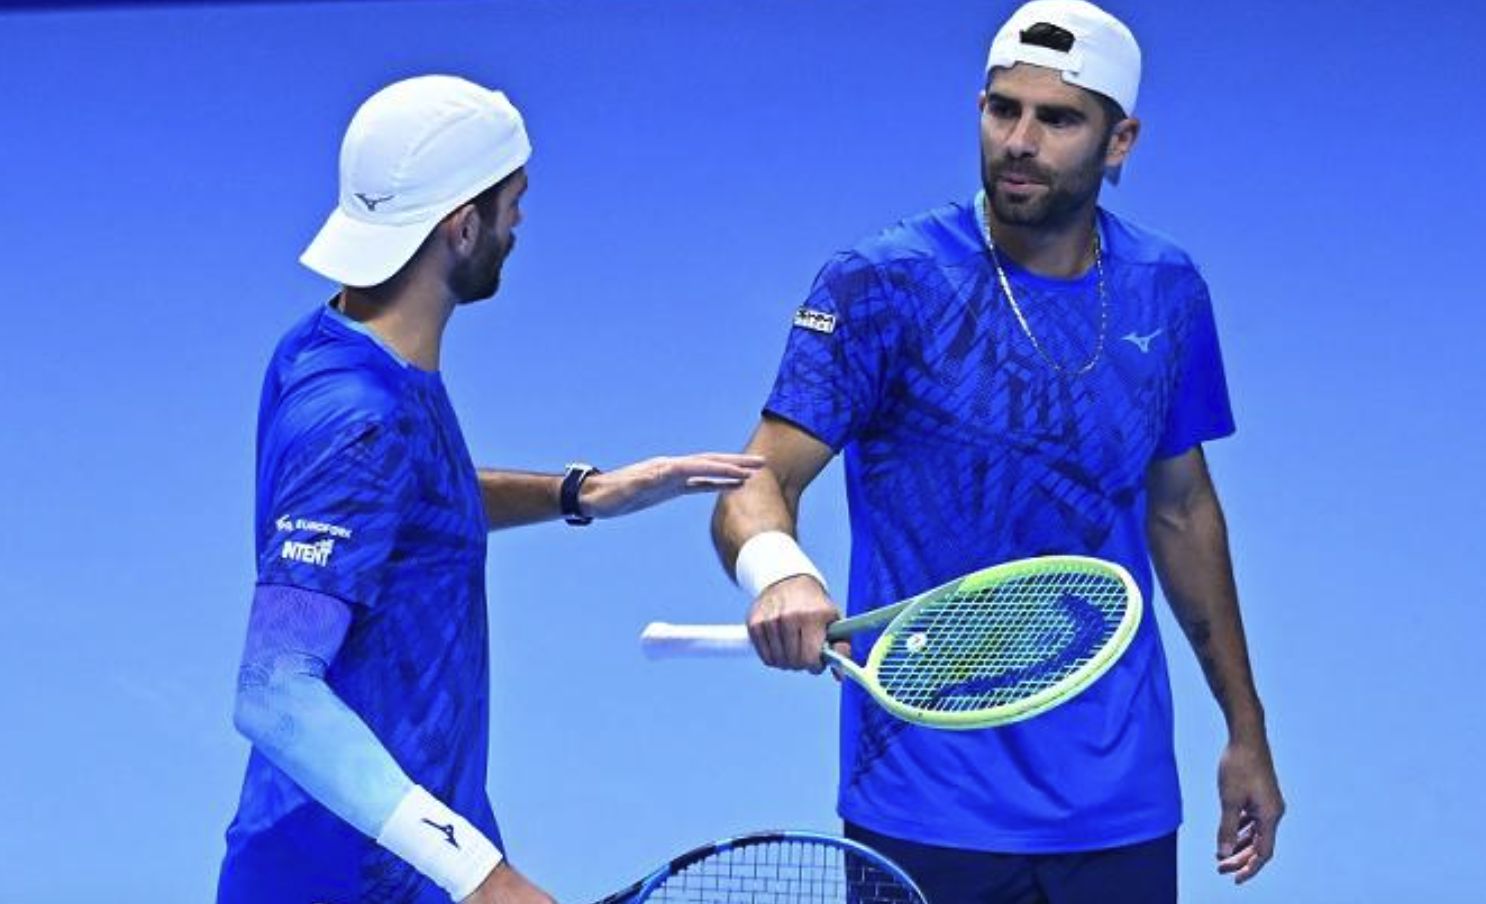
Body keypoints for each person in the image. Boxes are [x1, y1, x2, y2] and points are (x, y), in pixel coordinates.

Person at [710, 3, 1283, 901]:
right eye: (1001, 109)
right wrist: (778, 571)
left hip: (1119, 795)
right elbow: (756, 482)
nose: (1020, 141)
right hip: (923, 796)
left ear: (1120, 139)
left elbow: (1180, 508)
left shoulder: (1165, 291)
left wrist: (1244, 729)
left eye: (1057, 120)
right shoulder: (883, 283)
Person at [217, 75, 763, 904]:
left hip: (420, 849)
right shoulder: (358, 418)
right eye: (513, 201)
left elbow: (401, 499)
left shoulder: (332, 348)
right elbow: (273, 691)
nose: (519, 222)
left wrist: (579, 494)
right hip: (341, 875)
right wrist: (481, 874)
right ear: (461, 227)